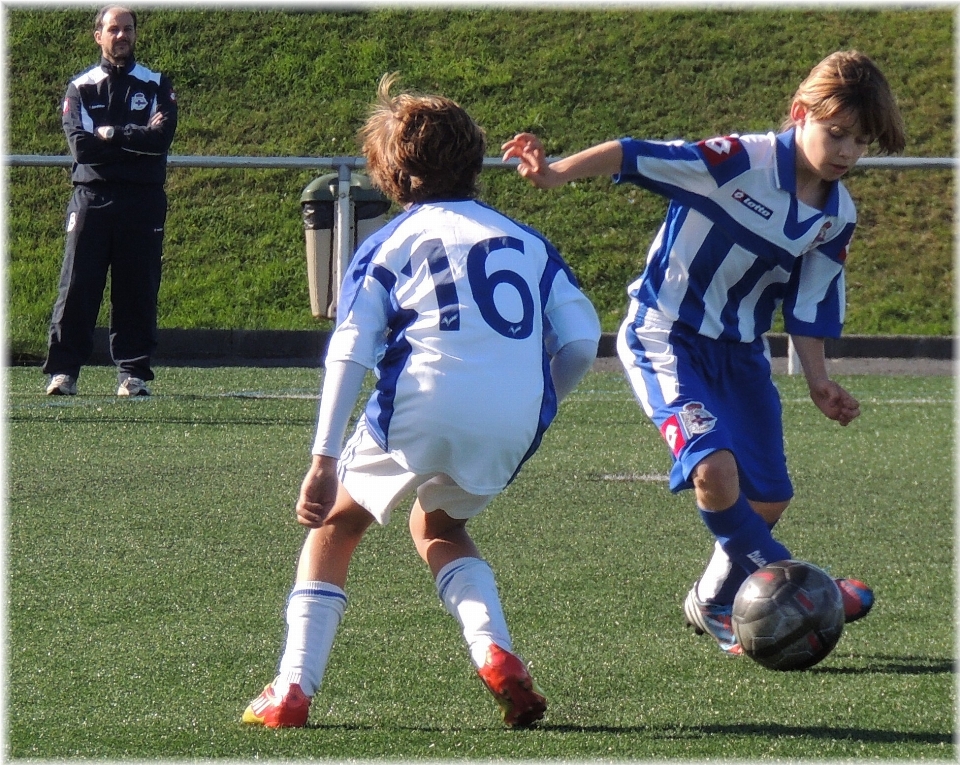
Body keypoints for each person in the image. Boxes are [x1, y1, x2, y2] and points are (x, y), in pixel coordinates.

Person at [503, 50, 906, 655]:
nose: (848, 151)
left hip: (741, 355)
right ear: (799, 114)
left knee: (770, 494)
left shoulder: (836, 216)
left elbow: (811, 300)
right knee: (714, 470)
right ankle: (799, 582)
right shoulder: (739, 160)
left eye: (861, 141)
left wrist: (817, 380)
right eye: (837, 133)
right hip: (665, 337)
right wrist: (555, 173)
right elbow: (632, 153)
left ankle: (715, 600)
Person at [242, 73, 601, 728]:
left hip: (421, 398)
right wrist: (539, 405)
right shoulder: (527, 242)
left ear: (392, 175)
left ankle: (292, 686)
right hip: (510, 418)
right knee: (438, 525)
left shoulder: (388, 243)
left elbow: (349, 349)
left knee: (337, 526)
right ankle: (495, 652)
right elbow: (580, 343)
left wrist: (323, 458)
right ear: (475, 164)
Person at [43, 5, 177, 397]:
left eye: (128, 29)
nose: (121, 36)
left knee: (138, 286)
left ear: (135, 35)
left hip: (143, 199)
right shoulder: (80, 87)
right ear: (97, 35)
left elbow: (160, 141)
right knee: (77, 286)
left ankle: (132, 374)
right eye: (113, 29)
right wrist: (132, 140)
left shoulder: (155, 85)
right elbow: (82, 149)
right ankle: (64, 372)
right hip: (92, 198)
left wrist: (111, 134)